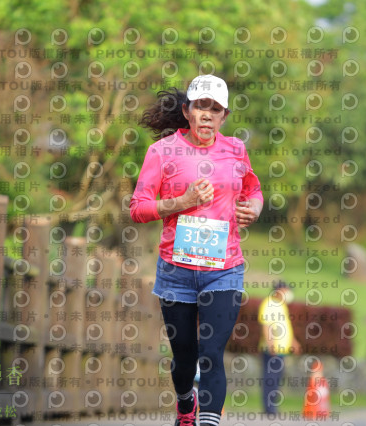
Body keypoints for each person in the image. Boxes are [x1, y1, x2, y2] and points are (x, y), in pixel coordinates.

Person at [129, 74, 263, 426]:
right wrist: (181, 201)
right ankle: (185, 403)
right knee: (185, 358)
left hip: (224, 269)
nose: (207, 114)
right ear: (187, 111)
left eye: (215, 109)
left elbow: (253, 189)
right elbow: (138, 208)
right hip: (176, 272)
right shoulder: (162, 151)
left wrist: (254, 208)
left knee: (211, 353)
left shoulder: (236, 149)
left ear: (224, 116)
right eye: (201, 106)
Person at [257, 281, 302, 415]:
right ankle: (269, 408)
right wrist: (271, 344)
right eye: (285, 290)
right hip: (272, 350)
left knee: (277, 379)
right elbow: (267, 325)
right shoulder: (269, 304)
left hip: (282, 350)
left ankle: (273, 406)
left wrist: (294, 342)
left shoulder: (281, 305)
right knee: (270, 378)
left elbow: (285, 326)